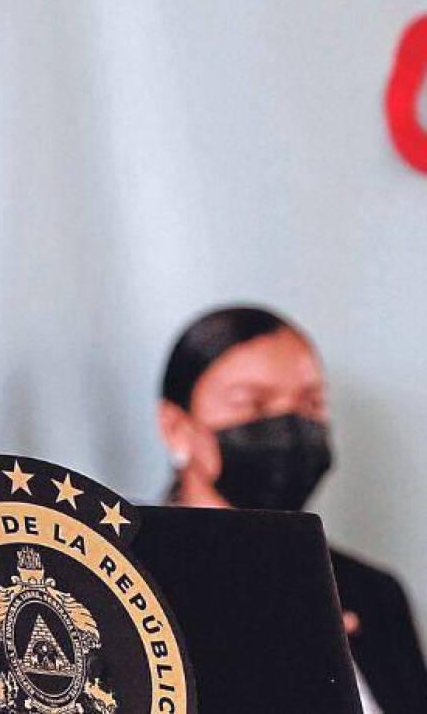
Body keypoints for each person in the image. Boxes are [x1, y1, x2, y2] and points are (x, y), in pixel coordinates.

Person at [157, 305, 427, 713]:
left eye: (311, 404)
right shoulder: (134, 582)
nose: (289, 427)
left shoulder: (372, 594)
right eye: (253, 405)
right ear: (177, 427)